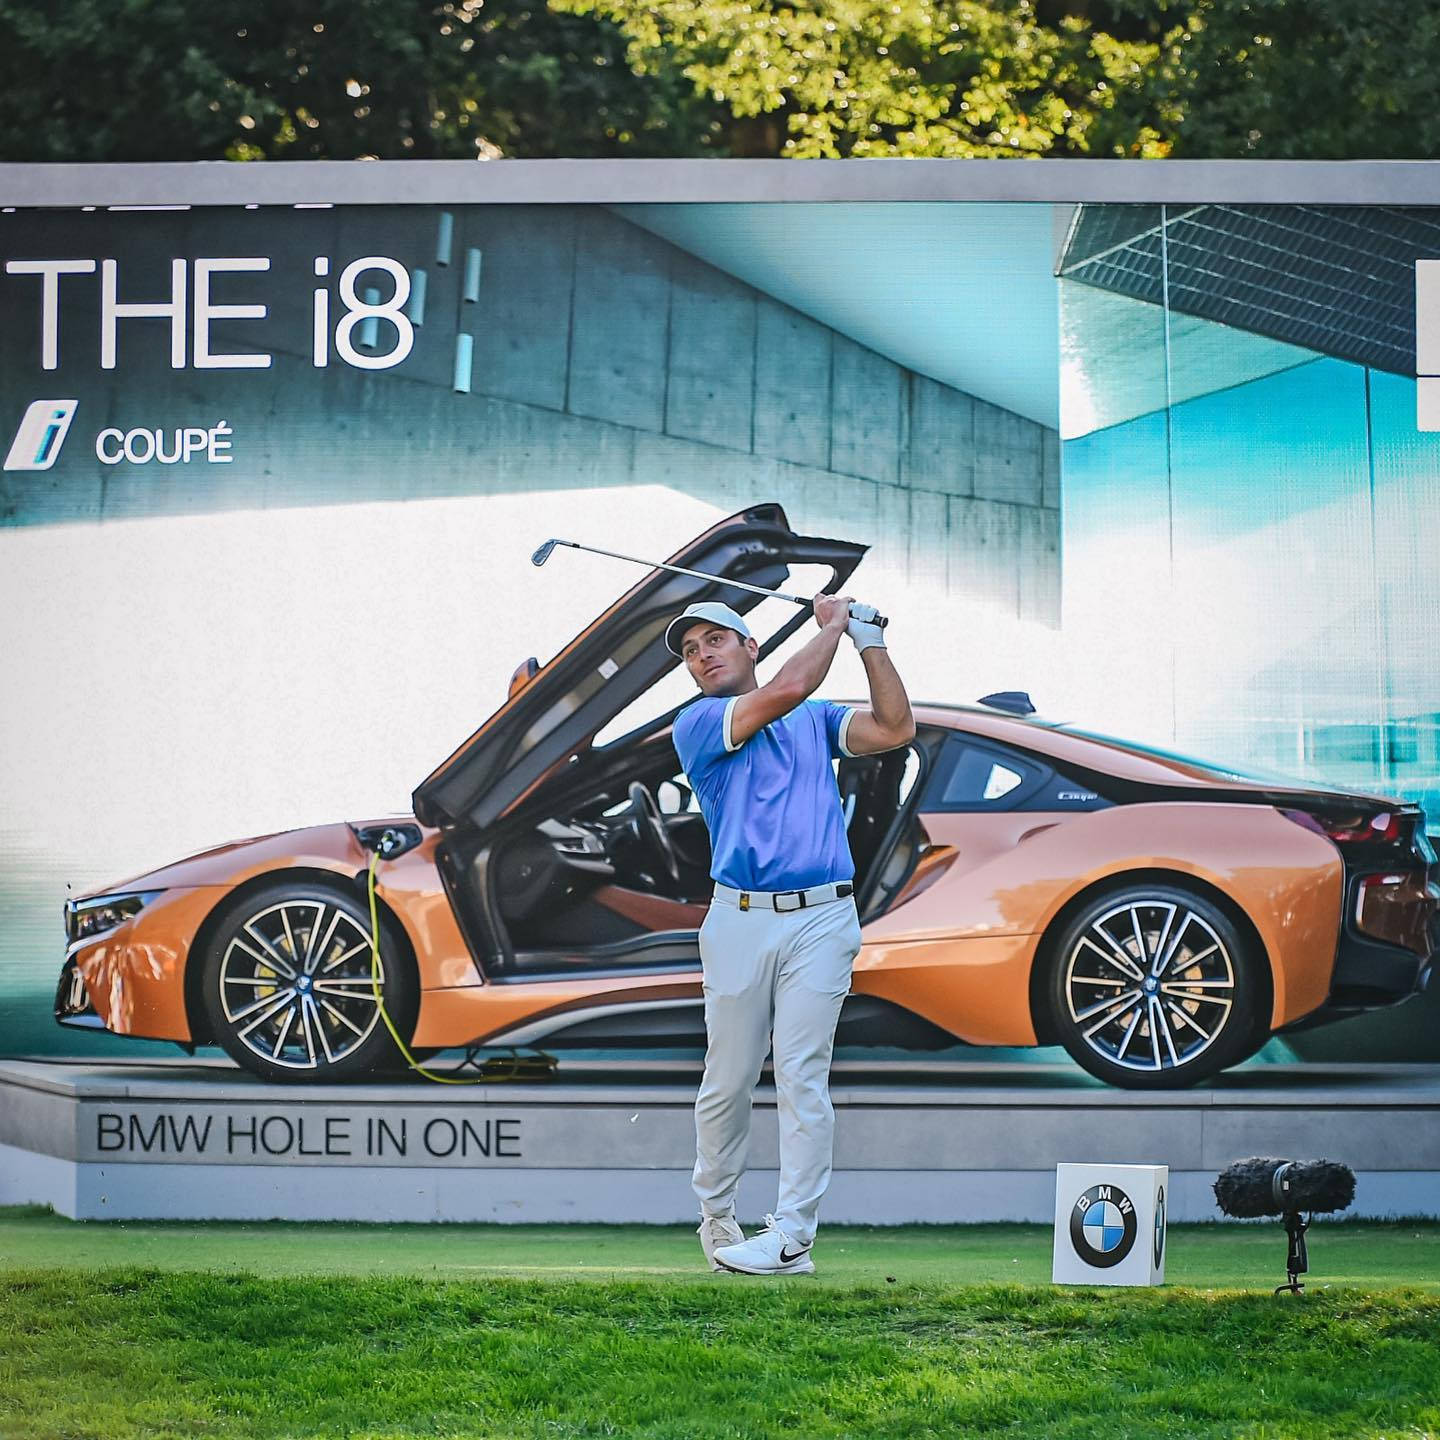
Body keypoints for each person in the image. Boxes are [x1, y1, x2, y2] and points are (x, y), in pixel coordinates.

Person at [665, 591, 915, 1275]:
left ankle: (792, 1237)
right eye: (691, 650)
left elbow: (895, 729)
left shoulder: (814, 721)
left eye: (716, 640)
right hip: (739, 918)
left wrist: (868, 641)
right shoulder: (699, 722)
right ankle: (717, 1220)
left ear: (751, 647)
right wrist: (833, 623)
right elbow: (792, 683)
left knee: (803, 1075)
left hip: (823, 917)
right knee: (731, 1078)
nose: (701, 655)